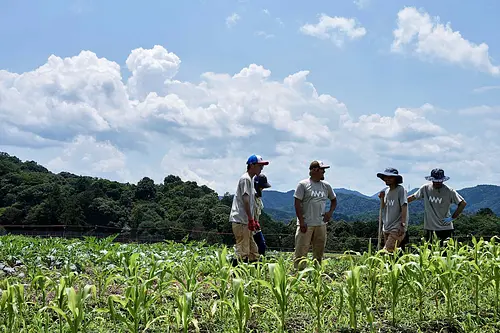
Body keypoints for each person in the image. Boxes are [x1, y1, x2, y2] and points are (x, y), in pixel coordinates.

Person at [293, 160, 337, 270]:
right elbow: (297, 203)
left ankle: (316, 273)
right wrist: (301, 221)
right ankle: (299, 273)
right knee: (301, 251)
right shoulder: (303, 185)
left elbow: (334, 200)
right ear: (314, 170)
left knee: (319, 252)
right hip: (306, 224)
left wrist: (329, 213)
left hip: (321, 224)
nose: (324, 172)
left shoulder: (326, 186)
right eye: (322, 170)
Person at [407, 168, 467, 245]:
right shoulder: (425, 188)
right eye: (435, 181)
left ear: (443, 180)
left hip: (445, 227)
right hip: (430, 227)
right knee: (430, 252)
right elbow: (413, 197)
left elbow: (462, 203)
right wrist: (401, 203)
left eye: (439, 181)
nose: (437, 183)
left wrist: (453, 217)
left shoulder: (449, 191)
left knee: (446, 253)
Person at [229, 154, 269, 265]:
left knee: (253, 251)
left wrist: (253, 220)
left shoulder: (251, 180)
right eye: (260, 166)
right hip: (241, 220)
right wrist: (251, 219)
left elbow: (251, 203)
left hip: (246, 221)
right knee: (243, 251)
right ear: (252, 165)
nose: (262, 168)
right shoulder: (245, 179)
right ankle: (235, 275)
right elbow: (246, 200)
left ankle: (252, 275)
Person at [377, 167, 409, 253]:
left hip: (396, 227)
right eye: (385, 177)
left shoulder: (400, 190)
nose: (387, 179)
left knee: (386, 251)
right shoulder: (387, 191)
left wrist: (402, 224)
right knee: (393, 254)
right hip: (387, 226)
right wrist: (382, 198)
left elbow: (404, 205)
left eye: (390, 177)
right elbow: (383, 207)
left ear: (396, 179)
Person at [253, 174, 271, 256]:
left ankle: (259, 266)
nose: (262, 189)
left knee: (262, 246)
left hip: (255, 226)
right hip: (248, 225)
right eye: (261, 187)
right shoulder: (250, 196)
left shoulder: (258, 197)